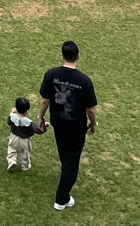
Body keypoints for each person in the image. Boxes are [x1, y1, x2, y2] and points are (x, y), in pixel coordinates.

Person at [38, 41, 98, 212]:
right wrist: (93, 124)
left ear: (62, 55)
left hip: (58, 123)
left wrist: (41, 118)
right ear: (78, 56)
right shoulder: (84, 81)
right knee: (72, 159)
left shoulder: (51, 74)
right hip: (76, 127)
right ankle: (62, 199)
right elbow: (90, 109)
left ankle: (66, 175)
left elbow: (44, 101)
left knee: (64, 154)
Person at [5, 97, 42, 172]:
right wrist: (44, 126)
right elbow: (37, 130)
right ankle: (25, 165)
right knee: (26, 152)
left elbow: (9, 122)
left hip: (14, 137)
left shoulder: (13, 117)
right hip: (25, 140)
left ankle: (12, 161)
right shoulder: (28, 122)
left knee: (12, 149)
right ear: (27, 111)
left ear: (16, 108)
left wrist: (11, 113)